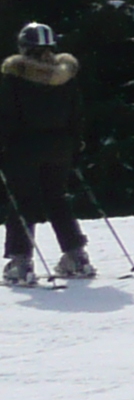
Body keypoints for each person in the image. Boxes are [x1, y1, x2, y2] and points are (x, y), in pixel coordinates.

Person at [0, 22, 91, 284]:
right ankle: (76, 256)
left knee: (22, 201)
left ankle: (20, 262)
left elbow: (6, 116)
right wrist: (76, 147)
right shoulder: (65, 77)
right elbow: (76, 116)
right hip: (60, 149)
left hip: (22, 149)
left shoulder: (15, 76)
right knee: (56, 198)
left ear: (24, 47)